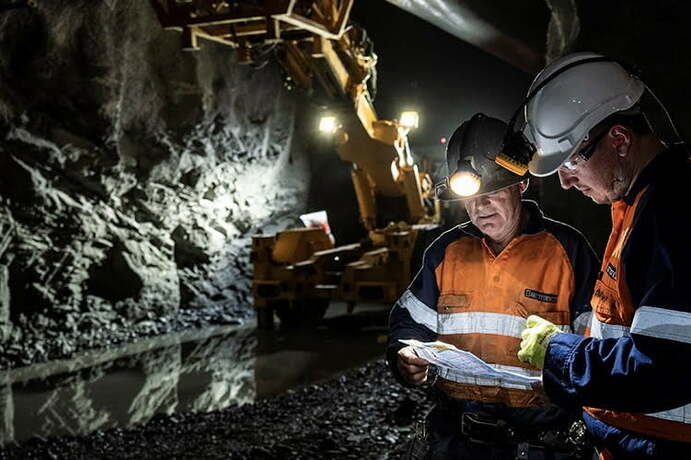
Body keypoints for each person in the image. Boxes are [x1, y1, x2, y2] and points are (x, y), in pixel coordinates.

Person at [387, 113, 599, 459]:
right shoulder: (445, 252)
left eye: (493, 192)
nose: (480, 207)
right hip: (459, 443)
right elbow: (409, 322)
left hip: (541, 446)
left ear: (521, 184)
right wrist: (404, 358)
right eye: (470, 197)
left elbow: (597, 350)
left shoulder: (568, 251)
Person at [516, 52, 691, 458]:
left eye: (572, 160)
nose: (564, 180)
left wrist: (559, 352)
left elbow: (666, 365)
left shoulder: (673, 212)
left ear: (620, 140)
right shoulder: (640, 203)